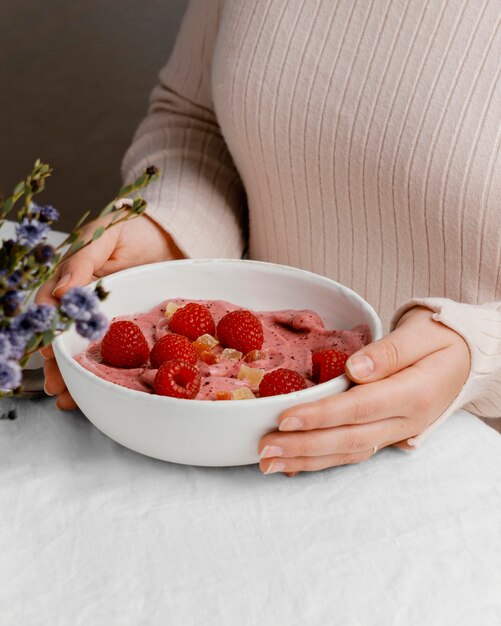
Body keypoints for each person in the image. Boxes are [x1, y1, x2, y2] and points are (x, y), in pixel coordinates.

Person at [37, 0, 501, 475]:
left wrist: (481, 352)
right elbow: (197, 120)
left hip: (463, 469)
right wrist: (168, 229)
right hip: (218, 445)